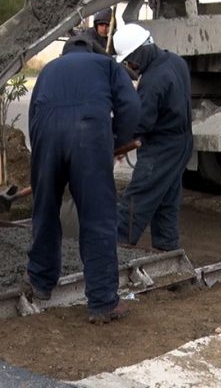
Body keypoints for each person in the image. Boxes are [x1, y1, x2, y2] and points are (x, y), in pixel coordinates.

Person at [23, 34, 141, 324]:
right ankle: (102, 302)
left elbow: (33, 113)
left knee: (45, 209)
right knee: (97, 216)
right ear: (91, 48)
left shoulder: (49, 69)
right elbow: (131, 107)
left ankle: (40, 282)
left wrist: (41, 153)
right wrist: (115, 141)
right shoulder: (106, 64)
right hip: (88, 133)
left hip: (46, 135)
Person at [113, 23, 193, 251]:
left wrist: (117, 142)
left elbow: (141, 124)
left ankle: (116, 249)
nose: (131, 66)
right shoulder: (175, 61)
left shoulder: (153, 80)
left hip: (161, 148)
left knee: (136, 200)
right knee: (166, 201)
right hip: (182, 142)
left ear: (141, 51)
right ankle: (167, 254)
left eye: (131, 60)